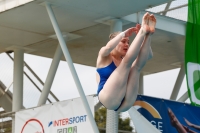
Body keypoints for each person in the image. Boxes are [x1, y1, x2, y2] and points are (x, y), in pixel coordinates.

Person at [96, 12, 156, 112]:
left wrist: (147, 36)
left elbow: (149, 56)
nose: (127, 45)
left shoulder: (125, 60)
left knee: (136, 67)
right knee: (127, 63)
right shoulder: (104, 56)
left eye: (128, 42)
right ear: (115, 41)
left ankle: (148, 34)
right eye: (123, 41)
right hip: (108, 98)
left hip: (126, 103)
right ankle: (142, 31)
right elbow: (109, 47)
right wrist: (123, 34)